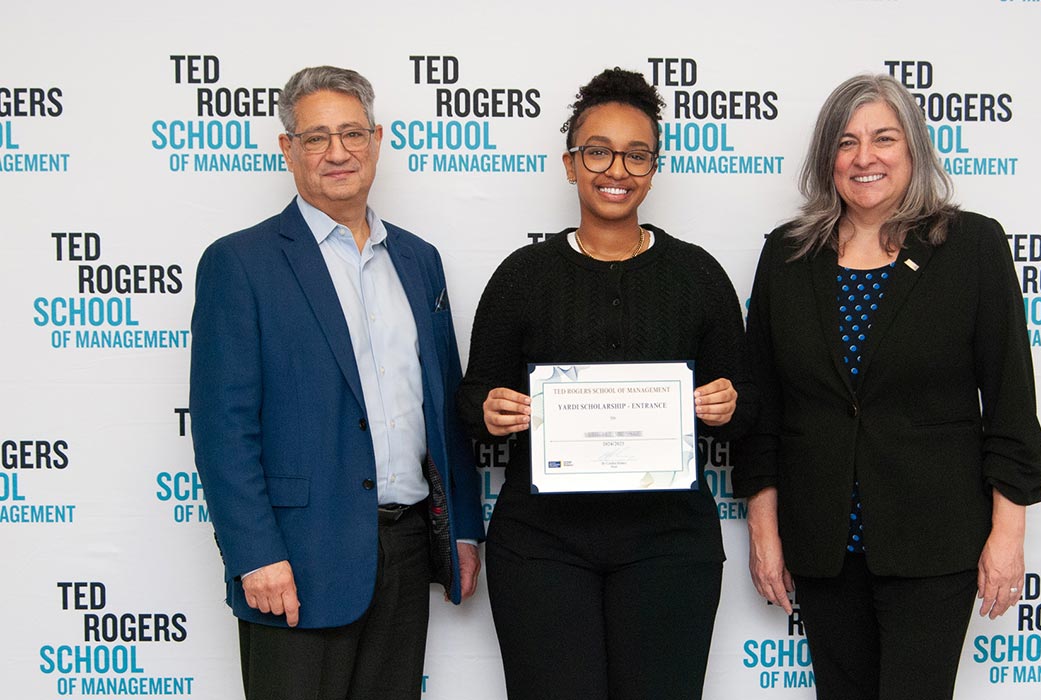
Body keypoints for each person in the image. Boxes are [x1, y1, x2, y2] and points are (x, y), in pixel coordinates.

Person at [734, 73, 1041, 700]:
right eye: (846, 142)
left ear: (914, 151)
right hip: (822, 543)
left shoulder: (972, 246)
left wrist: (1007, 538)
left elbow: (1011, 404)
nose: (864, 157)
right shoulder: (787, 255)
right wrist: (765, 534)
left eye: (884, 138)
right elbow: (762, 412)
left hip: (934, 541)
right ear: (828, 158)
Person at [457, 67, 755, 700]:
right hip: (541, 547)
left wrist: (728, 404)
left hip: (670, 547)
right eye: (598, 151)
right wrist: (490, 408)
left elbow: (751, 405)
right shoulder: (521, 276)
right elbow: (470, 396)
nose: (616, 169)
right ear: (571, 164)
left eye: (636, 155)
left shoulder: (699, 276)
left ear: (653, 168)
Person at [189, 65, 485, 700]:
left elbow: (443, 403)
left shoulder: (418, 259)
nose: (338, 153)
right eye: (316, 137)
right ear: (287, 149)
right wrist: (253, 555)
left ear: (377, 139)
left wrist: (462, 527)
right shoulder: (240, 264)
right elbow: (223, 430)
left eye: (352, 133)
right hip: (296, 557)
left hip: (406, 550)